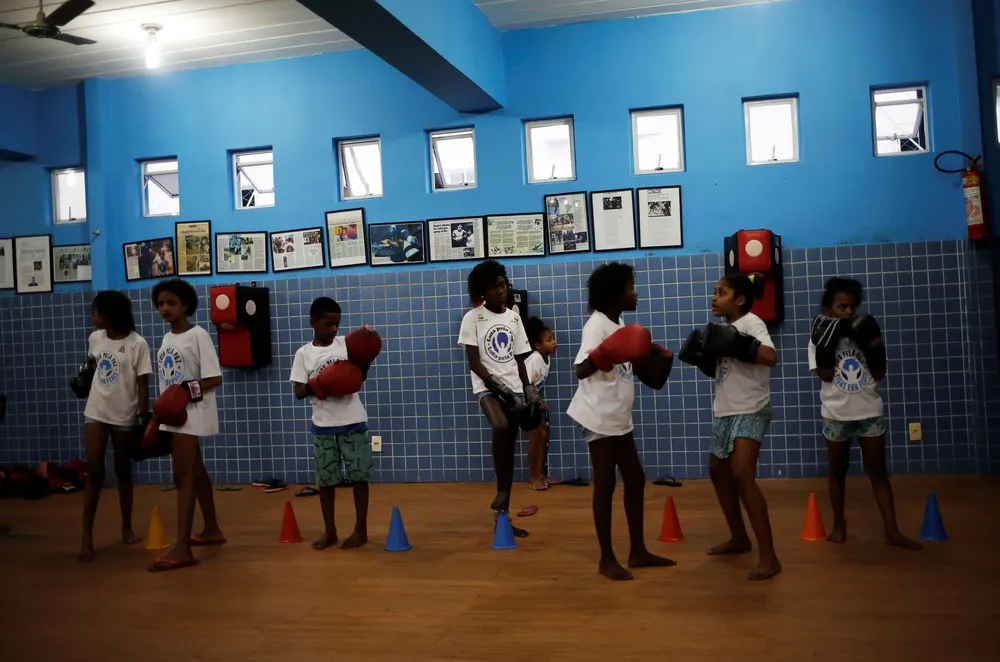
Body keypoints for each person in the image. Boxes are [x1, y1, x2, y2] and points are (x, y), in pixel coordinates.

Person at [567, 262, 675, 581]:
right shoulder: (597, 326)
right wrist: (605, 353)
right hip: (597, 416)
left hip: (618, 417)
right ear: (615, 294)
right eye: (630, 287)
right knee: (606, 482)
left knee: (636, 479)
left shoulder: (621, 324)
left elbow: (636, 371)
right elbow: (581, 370)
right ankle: (606, 558)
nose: (635, 292)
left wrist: (651, 360)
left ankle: (638, 551)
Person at [678, 273, 781, 580]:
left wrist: (738, 344)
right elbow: (724, 373)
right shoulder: (723, 330)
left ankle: (770, 557)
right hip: (725, 410)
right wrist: (704, 360)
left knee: (741, 474)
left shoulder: (751, 323)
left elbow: (768, 356)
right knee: (717, 471)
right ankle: (739, 537)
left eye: (721, 292)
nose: (714, 297)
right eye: (714, 292)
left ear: (739, 299)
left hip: (751, 408)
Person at [808, 277, 921, 550]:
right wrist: (829, 344)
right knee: (837, 471)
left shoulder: (864, 331)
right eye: (842, 307)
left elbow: (880, 374)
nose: (848, 312)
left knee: (878, 470)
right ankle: (838, 524)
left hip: (868, 409)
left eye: (852, 307)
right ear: (828, 310)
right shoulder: (819, 338)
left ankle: (891, 530)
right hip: (836, 412)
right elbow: (824, 375)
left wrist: (873, 346)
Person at [458, 260, 541, 537]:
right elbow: (474, 362)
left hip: (514, 388)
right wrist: (496, 387)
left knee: (509, 448)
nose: (501, 291)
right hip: (487, 388)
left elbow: (519, 360)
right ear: (483, 291)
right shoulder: (473, 318)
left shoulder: (514, 318)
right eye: (494, 288)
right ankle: (503, 491)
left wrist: (529, 391)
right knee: (501, 427)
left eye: (503, 285)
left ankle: (502, 512)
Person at [148, 278, 225, 572]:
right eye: (161, 303)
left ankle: (182, 546)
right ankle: (212, 529)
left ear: (185, 305)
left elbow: (215, 378)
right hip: (173, 415)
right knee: (196, 471)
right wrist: (158, 414)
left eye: (171, 303)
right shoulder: (167, 339)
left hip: (192, 413)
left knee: (183, 476)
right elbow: (168, 381)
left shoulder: (198, 335)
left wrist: (185, 391)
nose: (165, 308)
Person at [290, 297, 373, 551]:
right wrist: (321, 383)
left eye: (337, 324)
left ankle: (361, 530)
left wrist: (367, 354)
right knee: (326, 481)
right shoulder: (303, 354)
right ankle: (330, 531)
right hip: (323, 425)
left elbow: (359, 377)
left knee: (360, 477)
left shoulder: (346, 346)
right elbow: (298, 391)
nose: (333, 329)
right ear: (313, 322)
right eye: (328, 324)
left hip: (353, 421)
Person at [78, 291, 152, 562]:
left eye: (95, 311)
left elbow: (143, 385)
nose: (92, 317)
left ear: (109, 314)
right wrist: (83, 378)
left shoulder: (137, 344)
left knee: (123, 471)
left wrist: (143, 418)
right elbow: (92, 367)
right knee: (94, 469)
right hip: (96, 410)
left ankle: (127, 527)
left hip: (124, 414)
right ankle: (86, 537)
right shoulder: (95, 338)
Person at [523, 316, 558, 491]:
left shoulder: (546, 358)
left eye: (553, 338)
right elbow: (525, 383)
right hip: (521, 401)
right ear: (538, 345)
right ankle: (533, 478)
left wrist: (538, 401)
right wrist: (537, 401)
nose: (554, 342)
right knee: (535, 437)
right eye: (549, 340)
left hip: (532, 401)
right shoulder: (535, 359)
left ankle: (540, 475)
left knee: (541, 435)